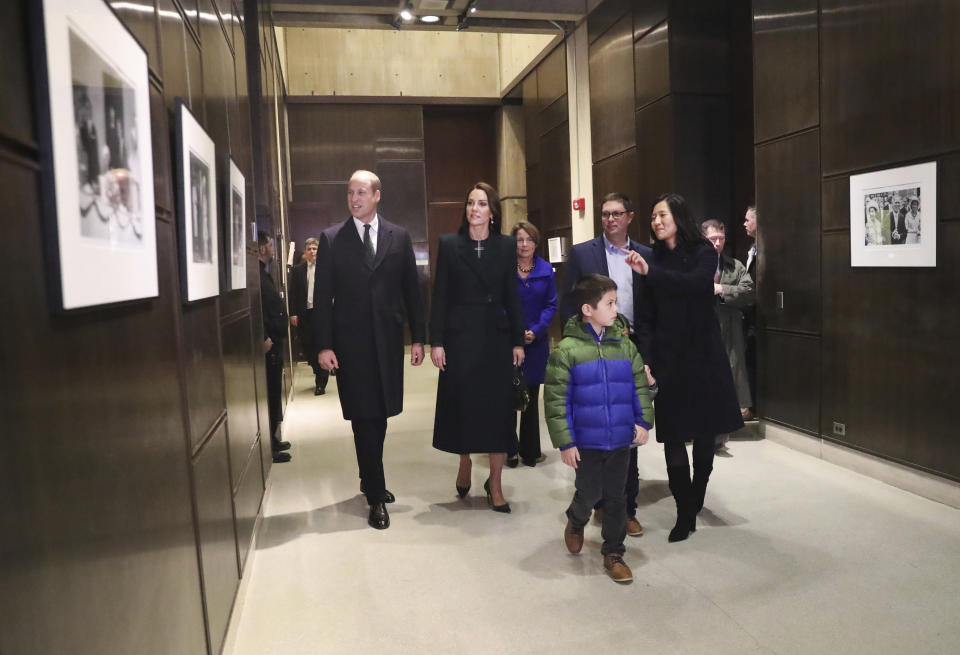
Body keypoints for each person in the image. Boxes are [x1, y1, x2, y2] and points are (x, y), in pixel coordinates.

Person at [625, 193, 744, 542]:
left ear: (678, 215)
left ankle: (696, 497)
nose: (656, 222)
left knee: (705, 433)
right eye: (652, 217)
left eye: (661, 215)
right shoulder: (652, 258)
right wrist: (645, 359)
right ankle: (683, 511)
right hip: (668, 358)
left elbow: (696, 287)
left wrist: (652, 273)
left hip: (703, 355)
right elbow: (645, 317)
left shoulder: (704, 253)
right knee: (673, 436)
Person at [315, 170, 425, 530]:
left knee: (380, 416)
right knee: (364, 416)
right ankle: (376, 494)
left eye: (361, 192)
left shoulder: (399, 236)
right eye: (350, 193)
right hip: (351, 346)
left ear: (377, 195)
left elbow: (412, 291)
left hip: (389, 342)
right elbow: (322, 298)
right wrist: (324, 345)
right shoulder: (333, 239)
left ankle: (368, 477)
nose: (354, 198)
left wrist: (419, 338)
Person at [544, 274, 654, 583]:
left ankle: (614, 553)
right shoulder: (565, 351)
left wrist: (643, 422)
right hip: (587, 441)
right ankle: (576, 519)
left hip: (620, 438)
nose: (616, 309)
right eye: (609, 303)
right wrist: (566, 443)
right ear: (587, 309)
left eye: (616, 302)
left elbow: (639, 387)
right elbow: (555, 401)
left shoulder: (626, 346)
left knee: (617, 496)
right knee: (590, 492)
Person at [559, 192, 652, 537]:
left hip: (631, 351)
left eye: (616, 214)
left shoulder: (645, 255)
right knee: (598, 426)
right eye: (604, 214)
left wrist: (649, 358)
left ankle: (626, 508)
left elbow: (652, 310)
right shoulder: (584, 253)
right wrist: (577, 344)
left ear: (629, 216)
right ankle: (595, 503)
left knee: (626, 429)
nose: (610, 219)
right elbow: (571, 302)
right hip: (592, 348)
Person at [430, 182, 525, 513]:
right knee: (465, 408)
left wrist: (517, 340)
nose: (474, 209)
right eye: (470, 203)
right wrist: (437, 341)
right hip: (460, 338)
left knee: (498, 413)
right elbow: (440, 295)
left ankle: (496, 484)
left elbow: (513, 296)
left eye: (482, 203)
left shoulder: (507, 246)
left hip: (495, 339)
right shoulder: (450, 244)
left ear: (492, 211)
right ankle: (465, 461)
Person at [510, 221, 557, 468]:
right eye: (520, 240)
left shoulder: (546, 270)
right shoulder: (505, 269)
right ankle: (508, 449)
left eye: (529, 240)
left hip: (536, 343)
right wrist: (516, 333)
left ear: (536, 243)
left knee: (530, 397)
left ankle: (530, 451)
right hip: (509, 342)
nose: (525, 244)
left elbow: (551, 305)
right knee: (507, 397)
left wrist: (536, 331)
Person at [702, 219, 756, 434]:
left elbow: (749, 291)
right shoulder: (693, 264)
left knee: (731, 371)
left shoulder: (734, 265)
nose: (717, 243)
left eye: (721, 239)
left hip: (729, 327)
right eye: (712, 238)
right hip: (702, 328)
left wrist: (721, 289)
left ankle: (726, 423)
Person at [258, 230, 291, 464]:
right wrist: (264, 337)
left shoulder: (264, 274)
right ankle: (270, 445)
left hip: (276, 344)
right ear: (262, 248)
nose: (272, 248)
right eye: (270, 244)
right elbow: (257, 311)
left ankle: (274, 438)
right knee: (269, 394)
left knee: (275, 393)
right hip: (268, 345)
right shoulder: (256, 277)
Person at [289, 237, 329, 396]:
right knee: (308, 347)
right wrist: (293, 313)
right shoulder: (298, 270)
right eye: (309, 249)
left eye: (315, 248)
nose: (312, 251)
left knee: (321, 346)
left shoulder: (326, 268)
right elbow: (293, 294)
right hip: (304, 313)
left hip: (322, 314)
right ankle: (316, 368)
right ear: (305, 252)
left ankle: (321, 382)